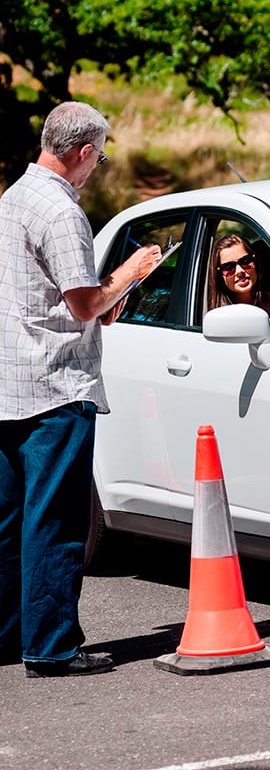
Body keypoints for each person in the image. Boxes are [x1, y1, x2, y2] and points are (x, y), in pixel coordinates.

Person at [0, 101, 163, 678]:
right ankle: (50, 646)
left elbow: (42, 297)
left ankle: (10, 635)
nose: (98, 166)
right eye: (100, 156)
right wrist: (133, 272)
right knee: (55, 520)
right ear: (84, 152)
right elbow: (84, 302)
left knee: (11, 519)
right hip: (54, 385)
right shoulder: (62, 213)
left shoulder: (13, 197)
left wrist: (98, 302)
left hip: (8, 382)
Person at [207, 234, 270, 332]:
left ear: (255, 262)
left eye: (245, 261)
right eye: (228, 267)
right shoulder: (221, 318)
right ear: (220, 276)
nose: (239, 271)